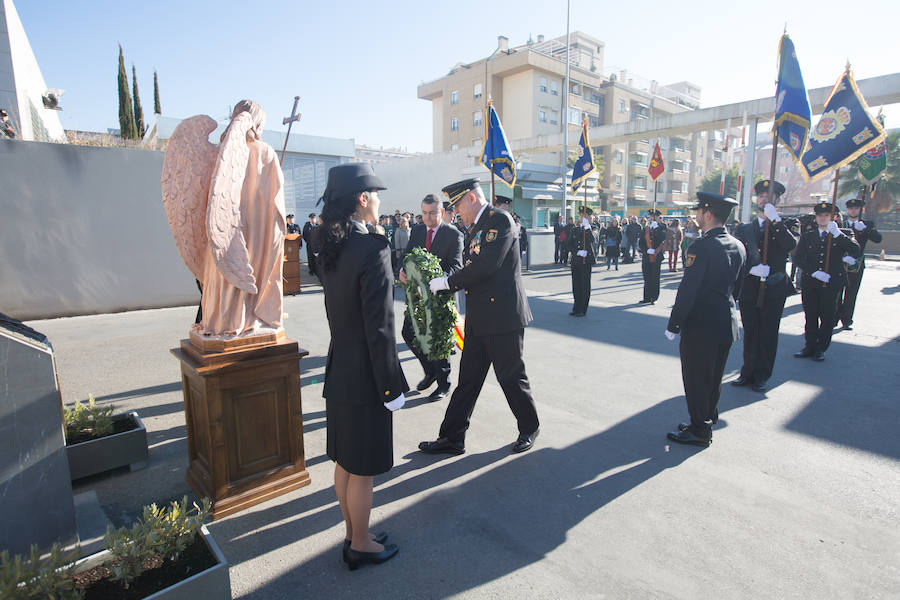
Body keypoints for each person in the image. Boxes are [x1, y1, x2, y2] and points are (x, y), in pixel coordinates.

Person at [317, 163, 407, 570]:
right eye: (376, 195)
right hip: (367, 375)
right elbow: (380, 326)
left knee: (346, 463)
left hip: (340, 369)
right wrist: (391, 385)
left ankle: (354, 532)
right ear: (362, 199)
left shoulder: (329, 245)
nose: (380, 203)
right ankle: (360, 542)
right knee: (363, 470)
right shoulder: (373, 248)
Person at [419, 178, 540, 455]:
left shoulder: (500, 221)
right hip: (479, 316)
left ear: (471, 198)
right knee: (468, 380)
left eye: (457, 205)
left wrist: (447, 283)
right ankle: (452, 437)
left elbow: (485, 265)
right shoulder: (477, 226)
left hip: (502, 316)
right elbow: (470, 264)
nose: (456, 212)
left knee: (510, 377)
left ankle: (529, 427)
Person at [665, 193, 745, 447]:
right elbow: (738, 288)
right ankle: (706, 419)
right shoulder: (737, 245)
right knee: (713, 377)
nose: (696, 216)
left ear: (708, 214)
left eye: (699, 212)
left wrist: (675, 323)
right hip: (726, 321)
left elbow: (689, 289)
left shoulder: (701, 246)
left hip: (701, 326)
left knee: (697, 378)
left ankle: (700, 430)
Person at [731, 180, 797, 392]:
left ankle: (762, 375)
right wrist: (751, 269)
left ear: (777, 199)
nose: (764, 199)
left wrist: (775, 220)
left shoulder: (784, 225)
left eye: (768, 196)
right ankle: (747, 372)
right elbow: (736, 256)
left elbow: (791, 245)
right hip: (750, 288)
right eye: (760, 196)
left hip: (774, 288)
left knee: (768, 333)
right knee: (751, 331)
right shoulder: (744, 229)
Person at [399, 194, 463, 401]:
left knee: (438, 341)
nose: (427, 217)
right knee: (408, 332)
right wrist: (402, 270)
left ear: (442, 212)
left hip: (440, 298)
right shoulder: (417, 230)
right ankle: (430, 371)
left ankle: (444, 383)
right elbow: (406, 256)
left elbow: (455, 266)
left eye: (432, 213)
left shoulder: (453, 234)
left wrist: (434, 280)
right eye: (424, 213)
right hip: (417, 297)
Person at [793, 202, 860, 361]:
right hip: (811, 281)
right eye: (820, 216)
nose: (823, 218)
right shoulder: (808, 236)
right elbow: (798, 258)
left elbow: (856, 250)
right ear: (816, 218)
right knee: (810, 315)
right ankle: (809, 345)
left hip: (831, 283)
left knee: (827, 316)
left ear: (833, 217)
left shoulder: (840, 234)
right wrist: (814, 272)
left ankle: (821, 348)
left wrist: (838, 234)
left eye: (826, 216)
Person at [837, 197, 882, 330]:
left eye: (856, 208)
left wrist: (866, 230)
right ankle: (834, 318)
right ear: (847, 210)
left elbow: (878, 239)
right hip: (840, 263)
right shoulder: (840, 224)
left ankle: (846, 319)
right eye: (851, 208)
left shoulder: (867, 224)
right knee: (836, 293)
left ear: (861, 210)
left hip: (857, 264)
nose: (853, 210)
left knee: (851, 294)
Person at [567, 206, 596, 317]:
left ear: (588, 217)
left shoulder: (592, 228)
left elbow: (592, 240)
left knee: (584, 286)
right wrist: (577, 252)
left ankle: (583, 309)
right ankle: (576, 307)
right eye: (581, 215)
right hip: (576, 260)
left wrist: (587, 227)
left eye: (584, 216)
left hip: (586, 261)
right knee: (576, 285)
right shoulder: (574, 229)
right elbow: (568, 244)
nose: (582, 217)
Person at [638, 210, 667, 305]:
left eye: (655, 217)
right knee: (647, 277)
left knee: (655, 277)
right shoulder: (646, 229)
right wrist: (646, 250)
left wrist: (656, 228)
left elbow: (663, 238)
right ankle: (646, 297)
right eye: (651, 216)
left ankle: (654, 297)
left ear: (658, 217)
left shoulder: (662, 227)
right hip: (647, 256)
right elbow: (641, 243)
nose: (652, 218)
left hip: (656, 255)